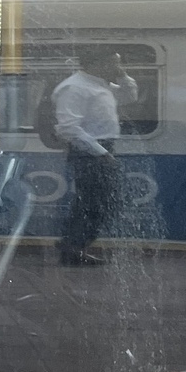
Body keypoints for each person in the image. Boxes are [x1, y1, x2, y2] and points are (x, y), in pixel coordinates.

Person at [53, 43, 139, 265]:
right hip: (89, 151)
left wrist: (124, 76)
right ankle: (73, 248)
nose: (118, 67)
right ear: (97, 64)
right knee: (95, 203)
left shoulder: (103, 85)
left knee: (95, 202)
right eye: (114, 62)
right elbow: (68, 128)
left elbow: (130, 97)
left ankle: (72, 245)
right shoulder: (75, 88)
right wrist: (100, 153)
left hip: (102, 148)